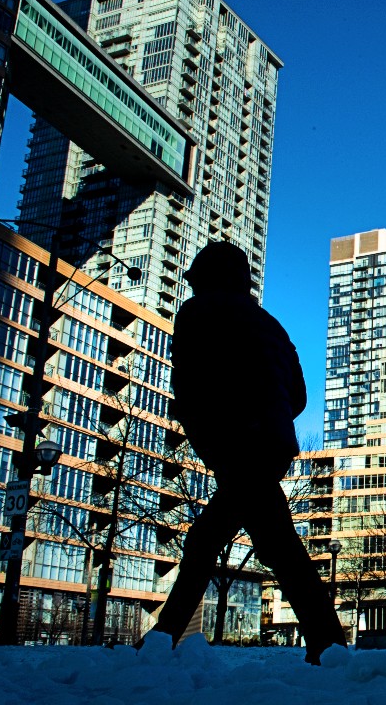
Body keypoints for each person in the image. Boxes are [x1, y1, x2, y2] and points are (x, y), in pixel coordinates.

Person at [145, 241, 345, 662]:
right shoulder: (271, 325)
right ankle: (328, 645)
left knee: (246, 544)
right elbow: (299, 395)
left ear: (207, 278)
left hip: (235, 444)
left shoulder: (197, 313)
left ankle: (161, 641)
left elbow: (190, 382)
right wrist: (269, 416)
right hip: (271, 445)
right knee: (255, 544)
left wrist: (212, 424)